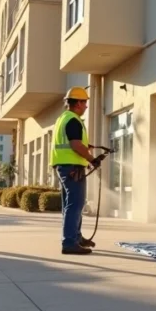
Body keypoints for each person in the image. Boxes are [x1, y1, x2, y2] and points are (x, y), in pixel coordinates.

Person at [50, 86, 102, 255]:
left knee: (70, 205)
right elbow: (75, 145)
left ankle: (75, 237)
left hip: (64, 166)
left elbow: (73, 143)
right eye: (85, 102)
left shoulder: (63, 118)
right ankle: (70, 242)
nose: (86, 106)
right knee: (75, 205)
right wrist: (92, 159)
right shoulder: (73, 120)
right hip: (72, 168)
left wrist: (86, 148)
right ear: (78, 103)